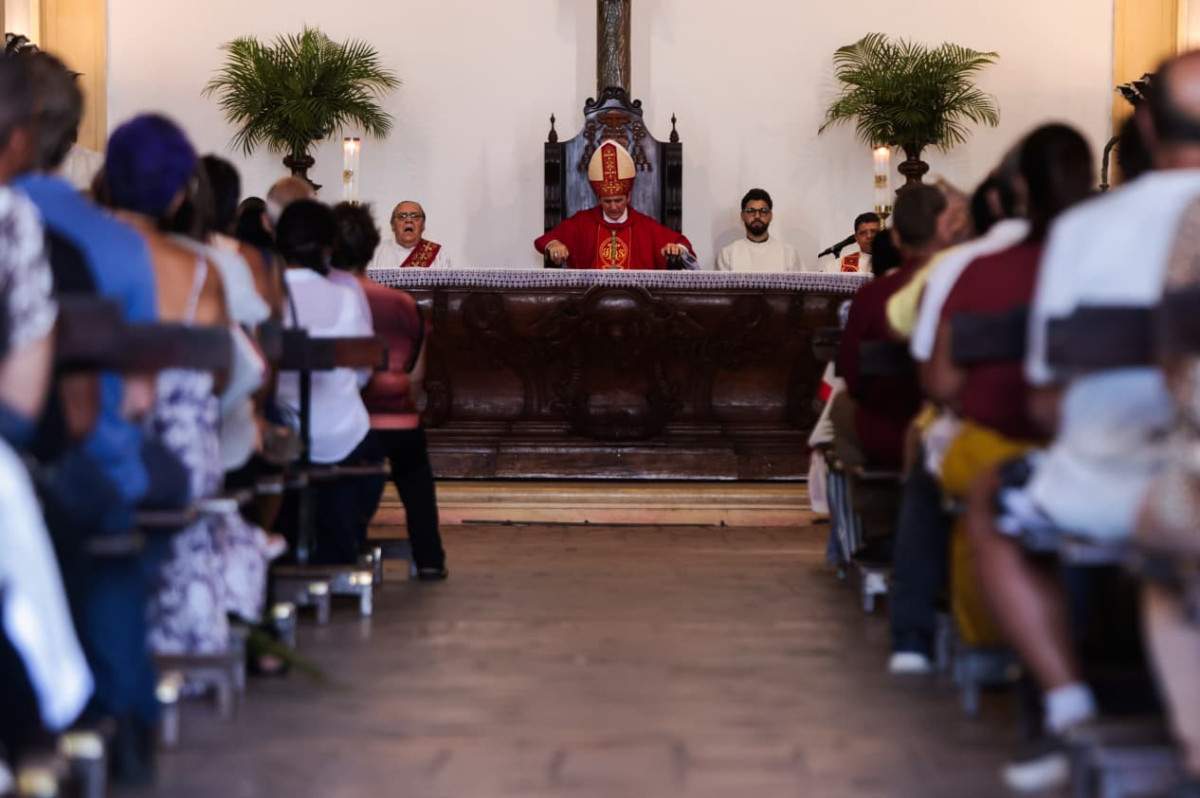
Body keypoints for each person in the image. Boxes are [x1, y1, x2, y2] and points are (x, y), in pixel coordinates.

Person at [965, 50, 1200, 792]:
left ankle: (1070, 706)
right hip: (1178, 475)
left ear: (1146, 124)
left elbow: (1042, 399)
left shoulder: (1086, 231)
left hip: (1107, 477)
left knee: (993, 499)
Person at [332, 202, 449, 580]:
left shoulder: (329, 299)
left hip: (344, 423)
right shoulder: (402, 304)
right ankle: (429, 557)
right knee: (415, 473)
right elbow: (416, 376)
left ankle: (335, 548)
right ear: (372, 247)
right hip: (398, 421)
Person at [274, 199, 382, 565]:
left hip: (280, 439)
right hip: (341, 435)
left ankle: (288, 548)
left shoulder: (264, 297)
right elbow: (364, 373)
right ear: (327, 247)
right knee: (364, 455)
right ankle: (335, 548)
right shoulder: (344, 297)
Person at [831, 185, 947, 470]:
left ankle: (865, 503)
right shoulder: (961, 279)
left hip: (886, 428)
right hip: (955, 429)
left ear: (895, 237)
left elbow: (851, 373)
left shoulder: (873, 295)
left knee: (837, 405)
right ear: (946, 230)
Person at [534, 139, 695, 270]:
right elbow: (544, 241)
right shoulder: (582, 222)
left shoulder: (644, 226)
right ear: (598, 198)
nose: (613, 207)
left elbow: (683, 243)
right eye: (607, 201)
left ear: (628, 196)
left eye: (618, 200)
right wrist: (554, 244)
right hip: (589, 304)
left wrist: (676, 249)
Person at [716, 188, 804, 272]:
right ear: (742, 215)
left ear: (770, 215)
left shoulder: (788, 254)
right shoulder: (728, 254)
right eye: (751, 211)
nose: (757, 216)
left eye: (763, 210)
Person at [368, 200, 452, 269]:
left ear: (423, 225)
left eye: (415, 216)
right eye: (402, 216)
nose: (408, 220)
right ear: (392, 225)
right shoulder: (375, 252)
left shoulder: (439, 255)